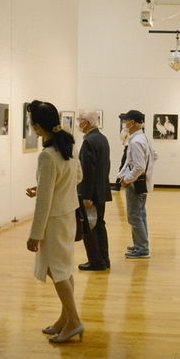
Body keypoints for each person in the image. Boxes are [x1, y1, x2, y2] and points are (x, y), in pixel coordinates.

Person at [25, 100, 84, 343]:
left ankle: (74, 321)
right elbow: (76, 177)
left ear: (38, 127)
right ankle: (65, 318)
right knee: (63, 268)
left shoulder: (48, 156)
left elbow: (44, 203)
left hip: (54, 220)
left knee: (56, 269)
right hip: (67, 214)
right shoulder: (67, 147)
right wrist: (45, 188)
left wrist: (34, 234)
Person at [117, 110, 158, 259]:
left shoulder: (135, 141)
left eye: (125, 121)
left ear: (131, 123)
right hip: (142, 183)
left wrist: (126, 179)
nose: (124, 124)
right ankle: (140, 244)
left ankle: (142, 248)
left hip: (135, 184)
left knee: (134, 216)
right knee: (140, 215)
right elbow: (154, 155)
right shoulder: (144, 138)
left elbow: (139, 166)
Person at [76, 110, 113, 271]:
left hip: (91, 194)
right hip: (101, 190)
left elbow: (87, 171)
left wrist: (86, 196)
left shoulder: (89, 141)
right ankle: (104, 259)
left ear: (86, 122)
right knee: (99, 225)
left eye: (80, 120)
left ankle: (96, 262)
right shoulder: (102, 138)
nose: (78, 123)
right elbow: (106, 166)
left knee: (89, 228)